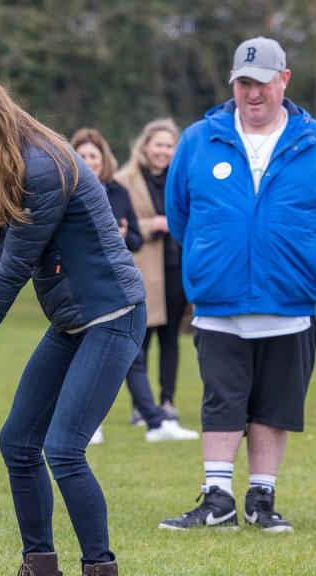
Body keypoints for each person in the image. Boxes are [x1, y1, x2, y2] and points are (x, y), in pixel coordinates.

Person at [0, 72, 145, 576]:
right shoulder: (14, 163)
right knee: (18, 441)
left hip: (111, 317)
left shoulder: (42, 168)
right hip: (71, 320)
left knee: (65, 449)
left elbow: (17, 267)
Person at [159, 37, 316, 532]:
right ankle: (218, 498)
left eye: (262, 82)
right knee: (220, 399)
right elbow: (180, 215)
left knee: (275, 403)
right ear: (233, 83)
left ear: (283, 80)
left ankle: (261, 498)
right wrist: (215, 252)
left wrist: (298, 253)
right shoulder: (198, 139)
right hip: (219, 300)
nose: (252, 93)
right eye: (243, 82)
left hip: (288, 303)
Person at [115, 119, 198, 441]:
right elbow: (121, 223)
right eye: (158, 144)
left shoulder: (183, 179)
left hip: (176, 267)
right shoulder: (125, 179)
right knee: (141, 338)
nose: (163, 151)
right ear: (145, 146)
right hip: (143, 269)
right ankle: (141, 405)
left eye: (169, 145)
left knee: (170, 338)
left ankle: (167, 401)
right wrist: (153, 225)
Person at [70, 128, 141, 445]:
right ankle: (85, 422)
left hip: (114, 292)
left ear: (103, 160)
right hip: (75, 292)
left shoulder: (118, 192)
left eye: (92, 157)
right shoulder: (64, 192)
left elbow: (136, 237)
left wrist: (121, 239)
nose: (87, 162)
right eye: (81, 156)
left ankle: (150, 415)